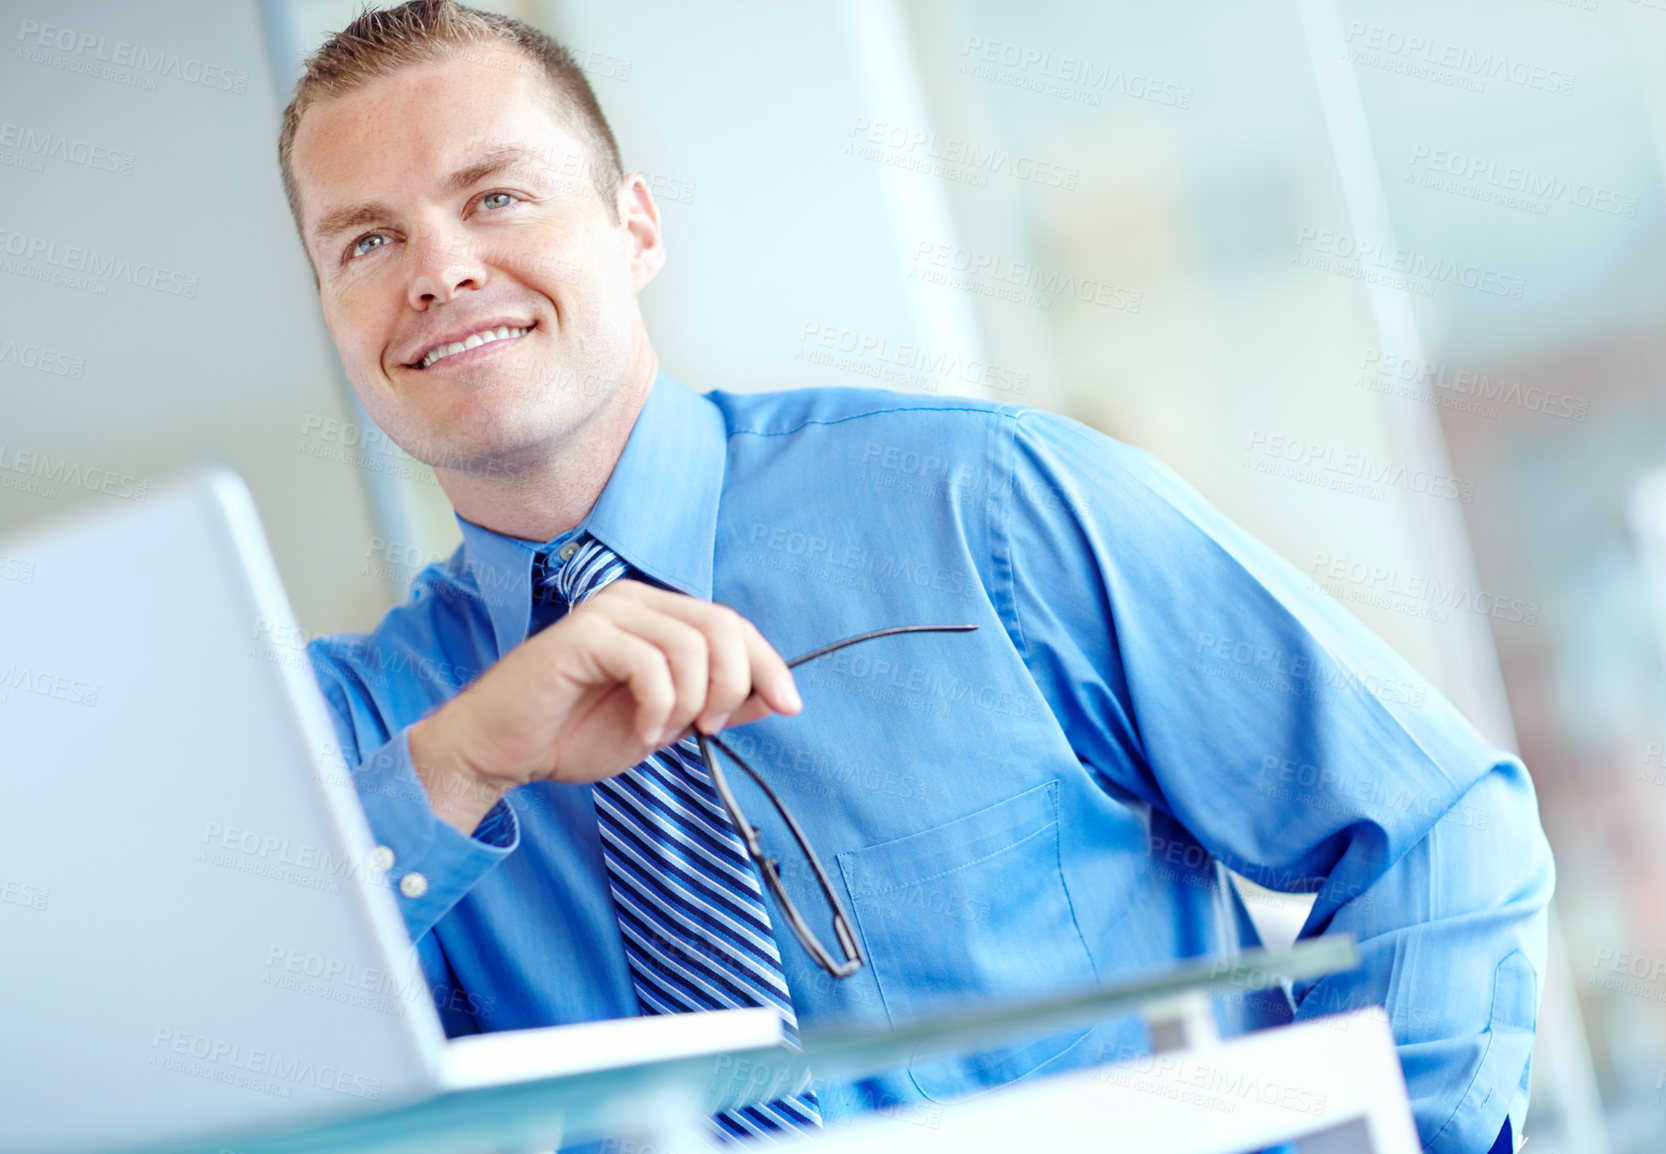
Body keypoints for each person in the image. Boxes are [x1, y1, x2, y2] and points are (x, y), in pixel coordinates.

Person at [280, 2, 1552, 1150]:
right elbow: (237, 1082)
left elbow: (1438, 825)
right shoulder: (350, 740)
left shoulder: (981, 506)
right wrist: (455, 768)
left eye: (496, 197)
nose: (436, 268)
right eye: (365, 241)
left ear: (635, 227)